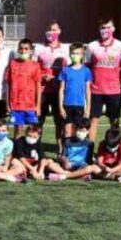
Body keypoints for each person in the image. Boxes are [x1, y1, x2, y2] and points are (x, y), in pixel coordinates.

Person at [87, 18, 121, 141]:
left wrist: (115, 79)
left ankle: (115, 148)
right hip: (95, 90)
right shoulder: (92, 46)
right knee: (93, 121)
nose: (105, 30)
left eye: (108, 27)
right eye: (103, 28)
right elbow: (88, 67)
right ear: (99, 29)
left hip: (114, 91)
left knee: (114, 121)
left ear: (113, 29)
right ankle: (90, 150)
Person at [35, 20, 70, 152]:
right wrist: (42, 76)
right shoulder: (39, 48)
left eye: (54, 29)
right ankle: (37, 148)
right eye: (49, 29)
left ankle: (60, 149)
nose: (52, 32)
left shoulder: (66, 48)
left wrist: (61, 79)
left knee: (60, 122)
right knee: (38, 121)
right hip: (42, 90)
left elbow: (70, 69)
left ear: (59, 31)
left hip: (59, 91)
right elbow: (33, 69)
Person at [6, 38, 43, 139]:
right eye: (21, 48)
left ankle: (30, 152)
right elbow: (8, 84)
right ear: (18, 50)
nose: (23, 51)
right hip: (15, 104)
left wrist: (38, 105)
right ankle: (17, 152)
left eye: (26, 49)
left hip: (30, 105)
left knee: (32, 131)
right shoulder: (12, 63)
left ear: (31, 51)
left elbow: (38, 86)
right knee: (18, 131)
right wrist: (7, 103)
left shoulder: (35, 65)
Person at [58, 43, 92, 139]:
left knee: (79, 131)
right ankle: (67, 152)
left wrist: (88, 108)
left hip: (80, 105)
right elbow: (61, 89)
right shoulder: (65, 70)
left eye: (77, 53)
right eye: (73, 53)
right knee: (67, 130)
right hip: (67, 105)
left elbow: (87, 90)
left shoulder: (86, 71)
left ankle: (77, 151)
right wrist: (61, 107)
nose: (75, 56)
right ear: (69, 54)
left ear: (82, 55)